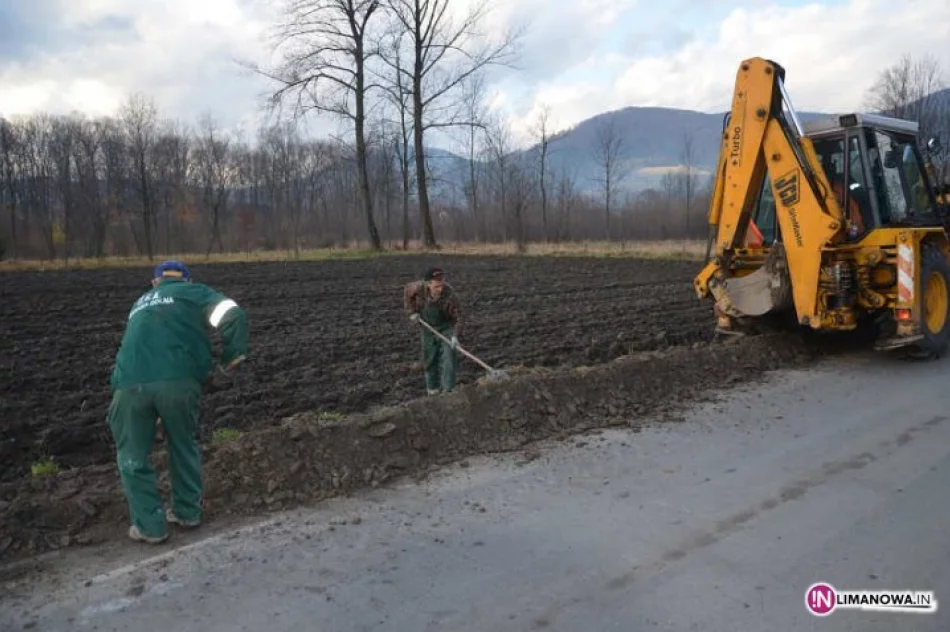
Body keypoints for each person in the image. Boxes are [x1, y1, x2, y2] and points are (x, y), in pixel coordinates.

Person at [107, 260, 249, 544]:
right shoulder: (193, 292)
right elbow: (234, 314)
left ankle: (150, 527)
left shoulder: (139, 304)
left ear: (155, 282)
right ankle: (187, 513)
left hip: (128, 385)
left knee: (132, 457)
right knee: (182, 445)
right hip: (178, 383)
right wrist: (230, 361)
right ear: (186, 279)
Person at [403, 267, 463, 395]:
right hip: (428, 328)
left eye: (441, 285)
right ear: (428, 284)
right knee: (429, 360)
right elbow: (408, 294)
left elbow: (459, 317)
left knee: (449, 358)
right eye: (436, 287)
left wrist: (455, 336)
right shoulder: (417, 288)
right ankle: (433, 391)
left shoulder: (449, 294)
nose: (440, 289)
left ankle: (448, 391)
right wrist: (411, 312)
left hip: (446, 327)